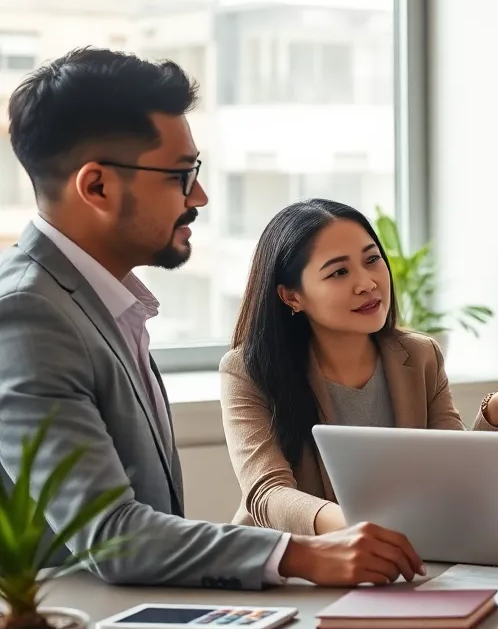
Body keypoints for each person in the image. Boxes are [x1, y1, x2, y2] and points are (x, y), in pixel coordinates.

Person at [0, 47, 429, 589]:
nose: (199, 196)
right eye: (181, 175)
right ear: (97, 187)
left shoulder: (103, 305)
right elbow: (109, 534)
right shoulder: (26, 313)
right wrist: (305, 556)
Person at [220, 198, 498, 535]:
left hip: (407, 557)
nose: (367, 283)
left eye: (371, 259)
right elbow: (268, 494)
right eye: (338, 273)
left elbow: (454, 477)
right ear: (292, 296)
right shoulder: (248, 371)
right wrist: (369, 528)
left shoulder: (420, 356)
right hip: (293, 568)